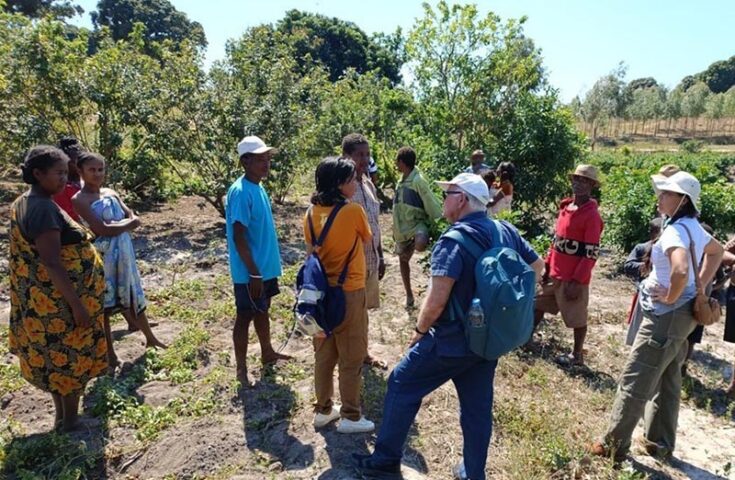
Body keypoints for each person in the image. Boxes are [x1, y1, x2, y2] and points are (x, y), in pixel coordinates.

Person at [354, 173, 544, 480]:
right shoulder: (504, 230)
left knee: (402, 383)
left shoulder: (453, 240)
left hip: (451, 342)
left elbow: (437, 299)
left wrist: (418, 331)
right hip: (486, 342)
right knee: (476, 410)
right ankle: (473, 472)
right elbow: (537, 267)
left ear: (463, 200)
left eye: (448, 193)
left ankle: (386, 461)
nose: (444, 200)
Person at [590, 171, 724, 461]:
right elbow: (717, 252)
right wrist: (696, 286)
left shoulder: (676, 230)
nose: (660, 196)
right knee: (667, 379)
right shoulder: (692, 226)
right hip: (681, 316)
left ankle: (613, 446)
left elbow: (679, 270)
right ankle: (660, 444)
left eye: (666, 193)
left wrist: (674, 294)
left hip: (666, 315)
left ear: (682, 200)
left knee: (635, 378)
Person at [8, 145, 108, 430]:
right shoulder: (41, 210)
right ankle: (70, 422)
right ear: (38, 174)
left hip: (49, 302)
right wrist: (77, 305)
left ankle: (62, 419)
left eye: (67, 172)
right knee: (69, 361)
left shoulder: (27, 201)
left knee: (57, 362)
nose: (65, 178)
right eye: (58, 173)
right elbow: (52, 262)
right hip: (60, 305)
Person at [72, 152, 166, 370]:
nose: (97, 174)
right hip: (102, 256)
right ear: (81, 172)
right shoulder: (80, 199)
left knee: (133, 293)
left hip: (124, 252)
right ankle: (110, 354)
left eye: (100, 169)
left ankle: (150, 338)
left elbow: (133, 216)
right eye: (91, 170)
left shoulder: (110, 192)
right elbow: (101, 228)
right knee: (105, 304)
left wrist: (125, 224)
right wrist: (127, 224)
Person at [305, 157, 376, 434]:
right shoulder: (353, 211)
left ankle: (323, 410)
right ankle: (351, 415)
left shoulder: (310, 213)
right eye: (349, 179)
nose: (354, 183)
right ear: (338, 184)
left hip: (319, 294)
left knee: (323, 354)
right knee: (352, 355)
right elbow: (367, 238)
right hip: (349, 291)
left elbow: (312, 249)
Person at [225, 135, 292, 385]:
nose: (266, 164)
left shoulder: (257, 186)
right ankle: (241, 370)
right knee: (244, 315)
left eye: (267, 159)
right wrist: (253, 272)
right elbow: (238, 236)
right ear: (245, 161)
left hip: (263, 268)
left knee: (263, 310)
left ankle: (267, 352)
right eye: (259, 159)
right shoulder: (241, 192)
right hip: (250, 272)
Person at [535, 165, 604, 366]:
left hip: (573, 277)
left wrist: (577, 280)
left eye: (584, 181)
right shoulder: (565, 208)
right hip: (555, 272)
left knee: (577, 317)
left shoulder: (592, 215)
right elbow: (557, 241)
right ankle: (525, 340)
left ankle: (577, 355)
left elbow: (591, 253)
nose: (578, 183)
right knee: (537, 305)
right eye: (576, 179)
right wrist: (547, 265)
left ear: (591, 185)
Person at [341, 133, 386, 368]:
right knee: (351, 313)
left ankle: (363, 354)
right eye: (359, 154)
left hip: (370, 259)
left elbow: (375, 223)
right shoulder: (342, 189)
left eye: (367, 154)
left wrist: (381, 256)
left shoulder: (368, 183)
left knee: (363, 311)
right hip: (351, 263)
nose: (365, 159)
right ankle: (351, 358)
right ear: (346, 156)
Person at [392, 146, 442, 308]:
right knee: (402, 260)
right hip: (402, 227)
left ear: (402, 162)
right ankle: (409, 294)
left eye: (397, 161)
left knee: (420, 243)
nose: (395, 164)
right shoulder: (401, 180)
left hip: (416, 224)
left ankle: (412, 245)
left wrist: (438, 219)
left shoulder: (418, 180)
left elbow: (429, 201)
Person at [623, 218, 663, 346]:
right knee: (637, 330)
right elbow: (628, 265)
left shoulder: (668, 252)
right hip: (642, 294)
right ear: (651, 232)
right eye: (655, 232)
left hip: (659, 297)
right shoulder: (642, 248)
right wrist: (646, 266)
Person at [52, 136, 83, 222]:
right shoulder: (61, 189)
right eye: (74, 162)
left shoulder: (85, 181)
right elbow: (70, 218)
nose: (79, 165)